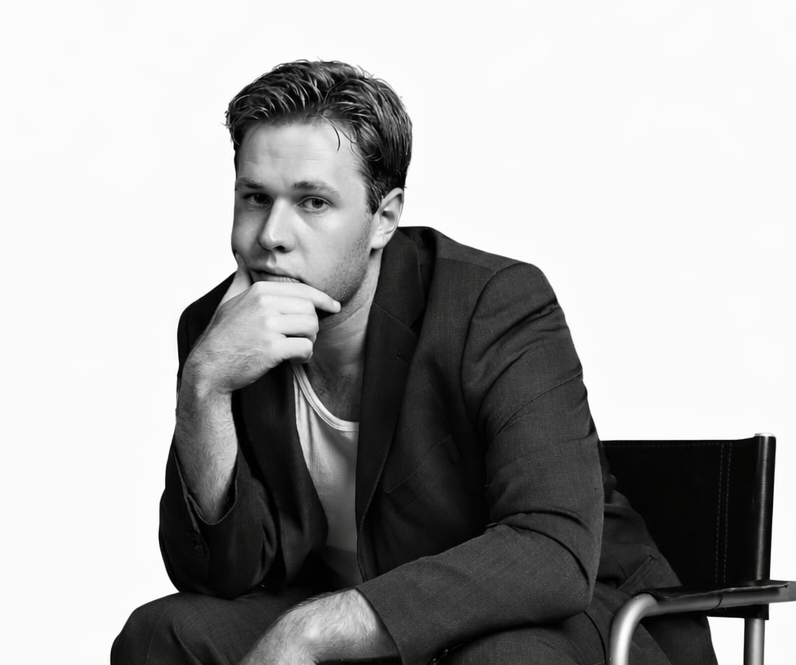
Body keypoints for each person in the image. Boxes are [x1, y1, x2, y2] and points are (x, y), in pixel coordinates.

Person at [112, 61, 717, 665]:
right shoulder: (220, 331)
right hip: (378, 631)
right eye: (255, 198)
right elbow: (223, 575)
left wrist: (318, 629)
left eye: (313, 202)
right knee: (163, 634)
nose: (271, 234)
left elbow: (551, 550)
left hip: (573, 627)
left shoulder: (493, 304)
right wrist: (204, 388)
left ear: (385, 219)